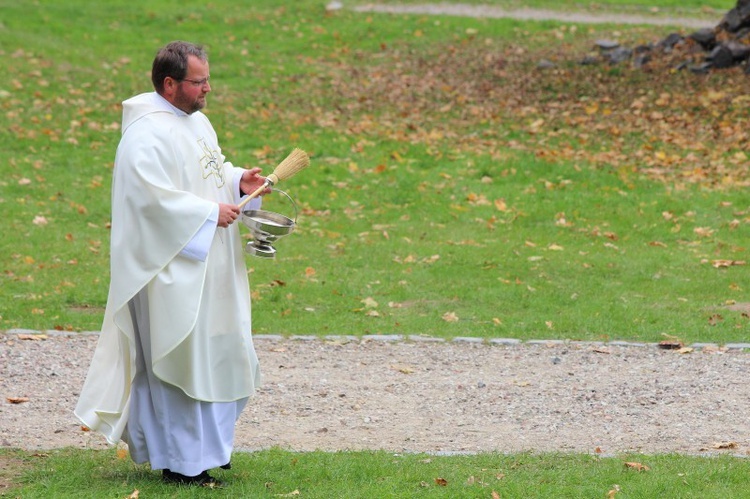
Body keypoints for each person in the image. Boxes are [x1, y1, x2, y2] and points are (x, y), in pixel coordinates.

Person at [75, 41, 267, 486]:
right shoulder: (145, 134)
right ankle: (181, 462)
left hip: (207, 264)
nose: (208, 89)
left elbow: (209, 171)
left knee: (214, 353)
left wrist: (238, 181)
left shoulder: (196, 122)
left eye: (206, 80)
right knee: (178, 360)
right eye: (199, 82)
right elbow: (150, 200)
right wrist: (206, 213)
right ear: (170, 83)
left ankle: (207, 449)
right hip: (167, 270)